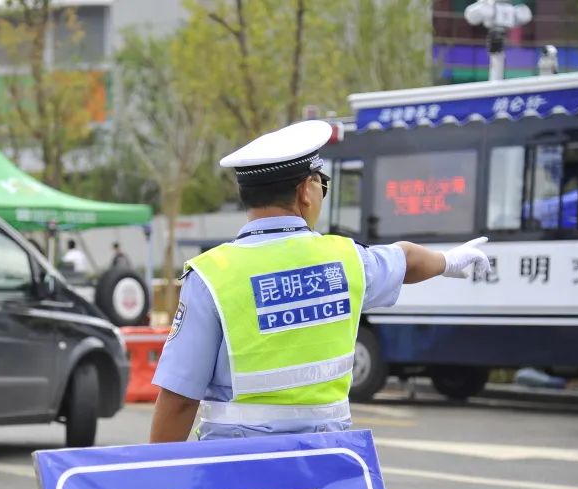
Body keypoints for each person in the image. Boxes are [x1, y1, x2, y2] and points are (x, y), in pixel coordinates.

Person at [149, 120, 490, 443]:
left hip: (237, 470)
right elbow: (408, 258)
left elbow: (179, 398)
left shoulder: (212, 274)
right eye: (321, 183)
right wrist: (449, 261)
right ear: (305, 192)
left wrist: (155, 483)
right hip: (328, 465)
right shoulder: (347, 260)